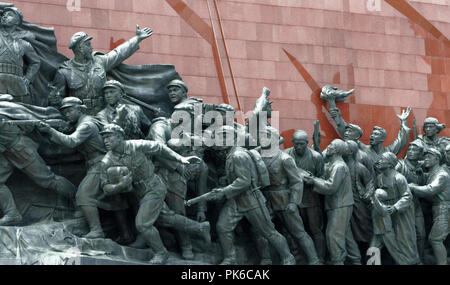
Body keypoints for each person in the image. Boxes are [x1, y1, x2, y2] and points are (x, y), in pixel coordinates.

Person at [99, 124, 210, 265]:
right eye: (104, 138)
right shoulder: (106, 161)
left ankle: (161, 253)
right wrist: (119, 185)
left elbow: (159, 147)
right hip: (139, 194)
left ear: (120, 137)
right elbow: (105, 188)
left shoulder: (135, 145)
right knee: (164, 218)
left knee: (143, 224)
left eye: (109, 136)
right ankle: (200, 228)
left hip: (154, 187)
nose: (105, 140)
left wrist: (180, 159)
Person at [38, 97, 129, 239]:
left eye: (70, 111)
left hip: (100, 164)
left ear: (80, 109)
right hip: (103, 163)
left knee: (84, 196)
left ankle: (97, 230)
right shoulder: (87, 121)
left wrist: (50, 130)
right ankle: (126, 234)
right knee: (116, 201)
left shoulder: (86, 125)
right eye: (65, 112)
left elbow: (71, 142)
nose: (67, 115)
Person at [206, 125, 296, 265]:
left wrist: (223, 191)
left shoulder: (238, 155)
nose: (219, 141)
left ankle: (288, 257)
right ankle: (230, 258)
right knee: (223, 227)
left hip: (250, 200)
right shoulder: (231, 154)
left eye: (223, 137)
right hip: (236, 200)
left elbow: (244, 181)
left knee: (268, 232)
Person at [50, 25, 153, 115]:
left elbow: (118, 53)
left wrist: (137, 38)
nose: (92, 47)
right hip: (81, 116)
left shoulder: (99, 61)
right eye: (88, 45)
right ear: (81, 48)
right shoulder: (64, 72)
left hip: (104, 111)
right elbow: (58, 100)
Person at [260, 127, 321, 265]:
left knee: (299, 233)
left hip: (284, 200)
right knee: (266, 231)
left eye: (266, 137)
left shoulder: (285, 158)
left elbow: (296, 182)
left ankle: (314, 260)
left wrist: (293, 203)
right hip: (267, 201)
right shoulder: (261, 157)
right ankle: (283, 259)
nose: (263, 140)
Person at [303, 139, 359, 265]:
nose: (328, 147)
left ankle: (338, 261)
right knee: (345, 235)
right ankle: (356, 260)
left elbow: (330, 187)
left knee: (333, 235)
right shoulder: (332, 164)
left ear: (336, 150)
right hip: (337, 205)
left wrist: (314, 181)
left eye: (331, 146)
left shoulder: (339, 166)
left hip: (340, 205)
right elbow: (327, 181)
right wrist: (315, 178)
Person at [284, 130, 327, 263]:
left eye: (302, 144)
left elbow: (322, 178)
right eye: (296, 144)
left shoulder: (316, 157)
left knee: (315, 230)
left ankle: (320, 258)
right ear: (292, 142)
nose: (298, 147)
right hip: (293, 199)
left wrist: (312, 180)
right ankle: (301, 257)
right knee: (297, 231)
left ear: (307, 143)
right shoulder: (286, 155)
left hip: (311, 199)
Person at [371, 152, 420, 265]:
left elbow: (407, 196)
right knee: (385, 240)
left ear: (389, 163)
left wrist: (396, 207)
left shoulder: (399, 178)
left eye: (382, 159)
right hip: (386, 213)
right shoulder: (380, 178)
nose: (379, 161)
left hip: (402, 212)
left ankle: (411, 261)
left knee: (404, 239)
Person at [409, 148, 450, 265]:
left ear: (437, 159)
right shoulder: (433, 173)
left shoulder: (441, 174)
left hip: (444, 209)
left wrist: (412, 187)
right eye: (425, 157)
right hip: (439, 209)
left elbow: (430, 190)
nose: (425, 159)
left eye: (429, 157)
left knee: (435, 239)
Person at [0, 7, 40, 103]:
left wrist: (28, 79)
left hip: (16, 83)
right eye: (3, 15)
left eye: (9, 15)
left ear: (17, 22)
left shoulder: (23, 43)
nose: (5, 16)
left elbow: (35, 62)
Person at [395, 139, 427, 261]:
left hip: (416, 204)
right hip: (402, 206)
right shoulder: (400, 165)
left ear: (420, 154)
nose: (411, 151)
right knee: (404, 235)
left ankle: (420, 259)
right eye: (410, 149)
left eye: (415, 150)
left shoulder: (420, 169)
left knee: (421, 233)